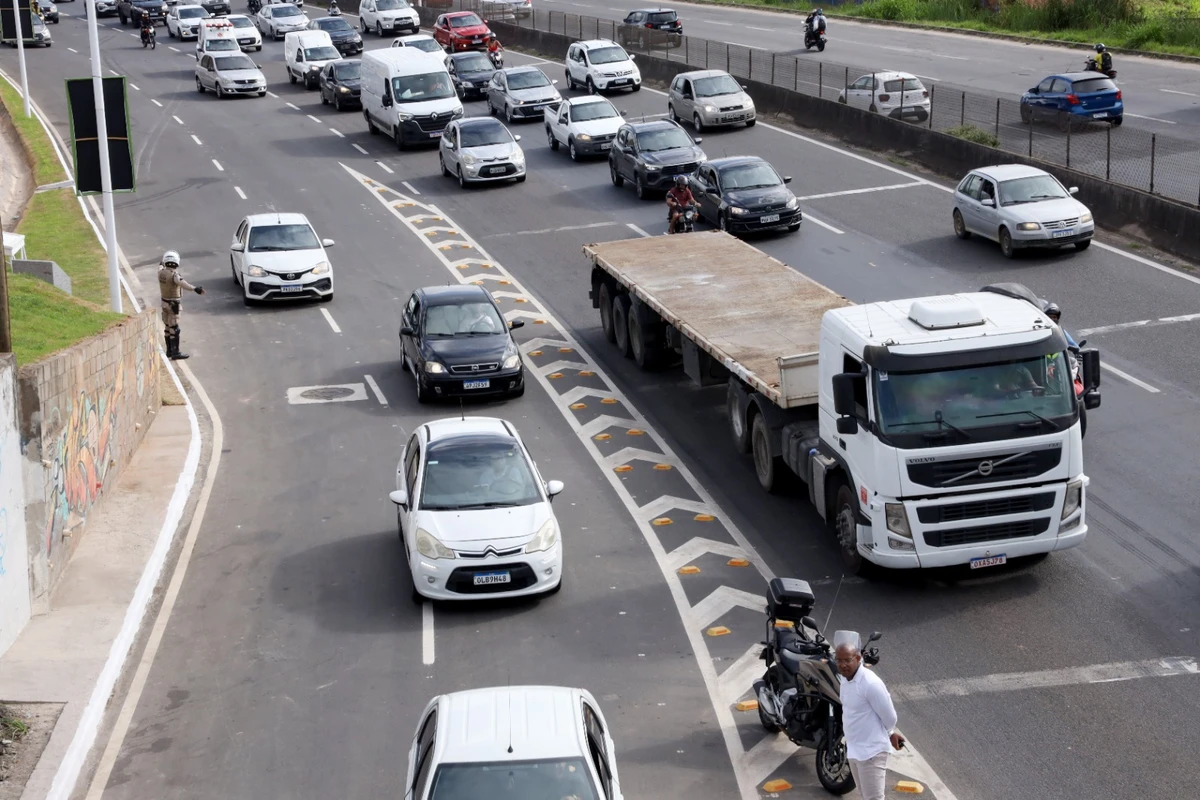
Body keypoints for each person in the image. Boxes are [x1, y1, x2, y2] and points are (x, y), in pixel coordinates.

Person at [836, 640, 903, 800]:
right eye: (839, 660)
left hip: (871, 753)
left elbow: (890, 717)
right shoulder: (845, 679)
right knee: (865, 796)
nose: (843, 665)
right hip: (855, 749)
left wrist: (889, 731)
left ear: (858, 659)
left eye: (847, 660)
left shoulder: (870, 684)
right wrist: (890, 733)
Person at [158, 250, 205, 360]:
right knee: (175, 328)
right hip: (173, 304)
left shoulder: (160, 272)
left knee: (167, 327)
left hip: (164, 303)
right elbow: (183, 284)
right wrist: (195, 289)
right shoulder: (174, 275)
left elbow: (160, 266)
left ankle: (169, 350)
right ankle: (175, 352)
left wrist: (161, 263)